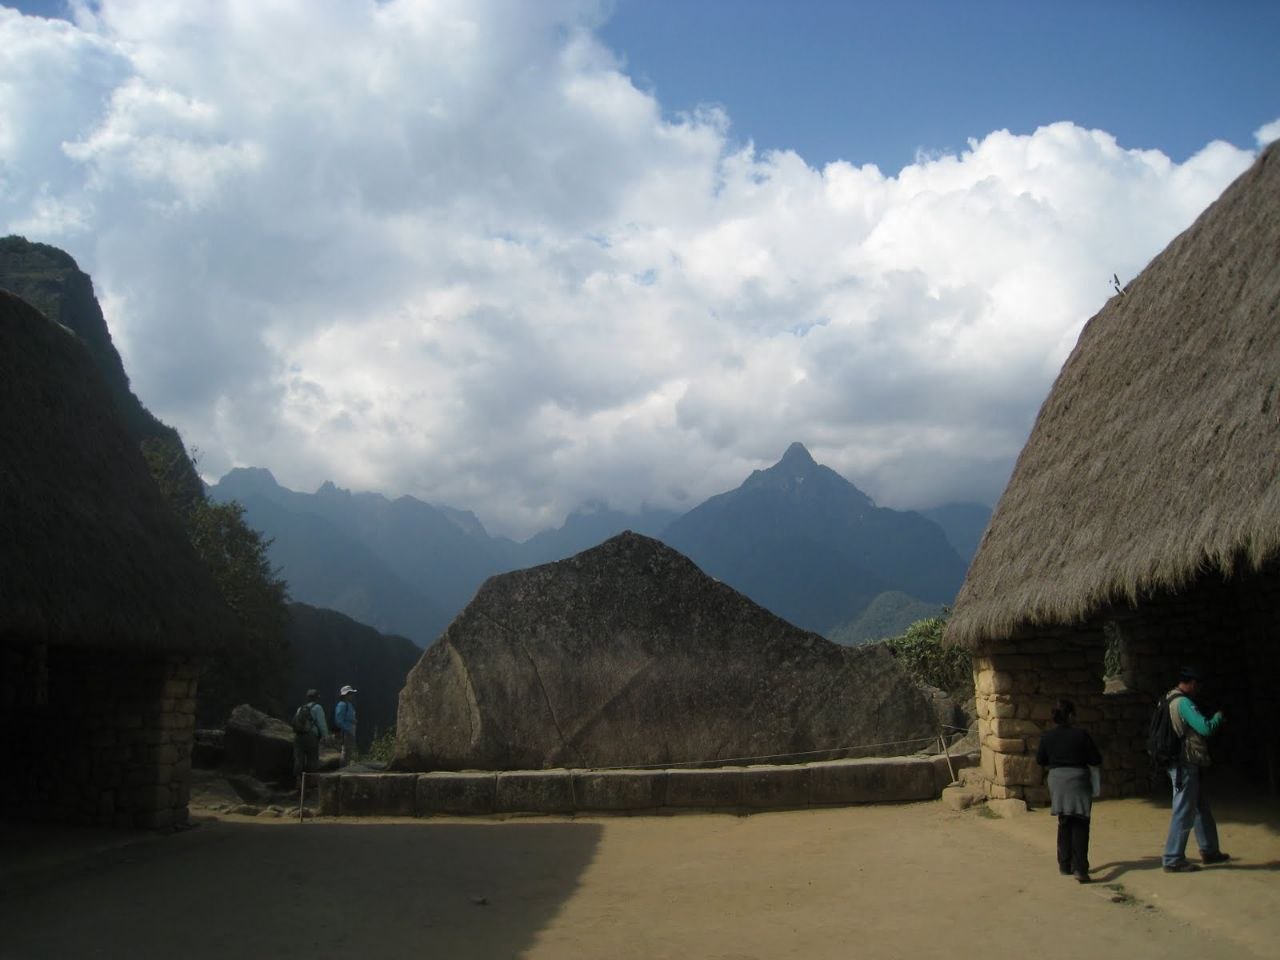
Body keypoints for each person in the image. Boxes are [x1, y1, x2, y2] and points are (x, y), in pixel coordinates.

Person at [1161, 667, 1229, 873]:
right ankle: (1172, 858)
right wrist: (1218, 717)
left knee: (1200, 806)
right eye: (1197, 684)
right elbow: (1204, 728)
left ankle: (1210, 850)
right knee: (1183, 810)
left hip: (1181, 762)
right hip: (1185, 763)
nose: (1199, 689)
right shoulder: (1183, 703)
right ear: (1190, 683)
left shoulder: (1167, 698)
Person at [1035, 698, 1103, 883]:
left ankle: (1064, 864)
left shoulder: (1047, 736)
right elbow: (1095, 759)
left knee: (1064, 821)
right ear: (1072, 716)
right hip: (1078, 781)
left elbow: (1040, 759)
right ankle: (1080, 868)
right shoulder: (1081, 735)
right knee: (1081, 823)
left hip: (1057, 781)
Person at [293, 688, 329, 788]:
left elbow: (295, 722)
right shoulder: (317, 707)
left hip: (298, 736)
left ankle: (298, 780)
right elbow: (322, 724)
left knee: (298, 759)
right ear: (317, 698)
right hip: (311, 736)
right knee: (312, 759)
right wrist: (326, 736)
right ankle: (311, 782)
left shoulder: (300, 708)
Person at [334, 684, 358, 767]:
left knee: (349, 751)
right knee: (345, 750)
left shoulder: (348, 704)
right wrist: (347, 728)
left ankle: (346, 766)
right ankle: (343, 768)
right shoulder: (342, 705)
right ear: (345, 695)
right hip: (346, 732)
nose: (352, 695)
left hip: (350, 731)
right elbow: (339, 720)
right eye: (350, 693)